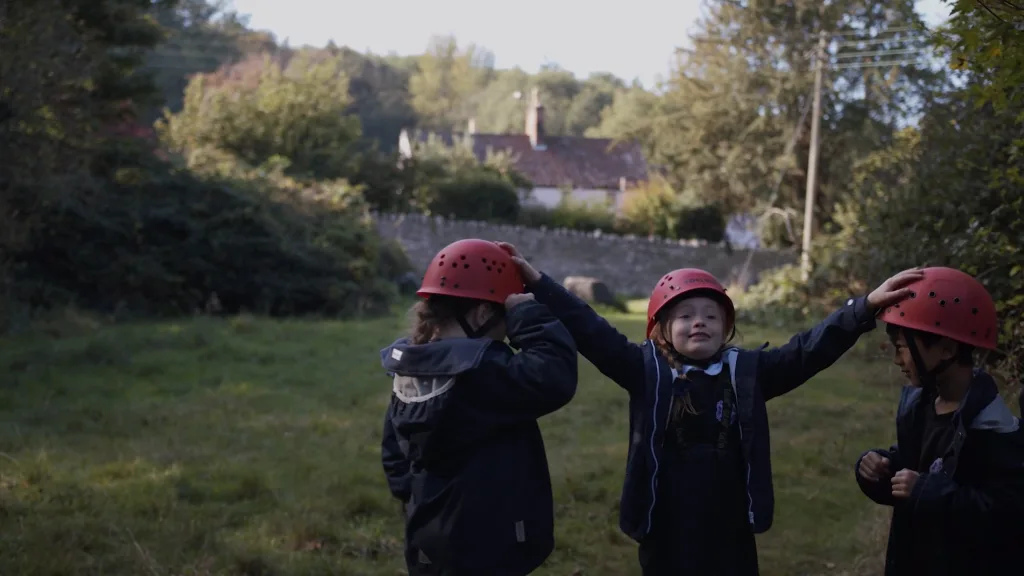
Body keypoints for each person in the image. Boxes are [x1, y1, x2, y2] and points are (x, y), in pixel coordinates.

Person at [497, 241, 921, 576]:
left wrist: (863, 308)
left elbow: (807, 351)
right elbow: (589, 328)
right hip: (664, 532)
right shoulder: (644, 370)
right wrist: (538, 282)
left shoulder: (750, 372)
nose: (699, 322)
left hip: (730, 535)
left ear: (725, 328)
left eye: (710, 316)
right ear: (661, 330)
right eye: (685, 316)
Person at [380, 238, 579, 576]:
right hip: (488, 544)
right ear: (484, 312)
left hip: (429, 539)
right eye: (505, 317)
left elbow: (394, 454)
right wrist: (527, 314)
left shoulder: (412, 366)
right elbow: (554, 375)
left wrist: (416, 499)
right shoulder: (481, 371)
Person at [854, 266, 1024, 575]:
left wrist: (928, 493)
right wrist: (881, 469)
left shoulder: (995, 429)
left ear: (946, 348)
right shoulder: (922, 408)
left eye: (902, 347)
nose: (897, 360)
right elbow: (918, 470)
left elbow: (1007, 515)